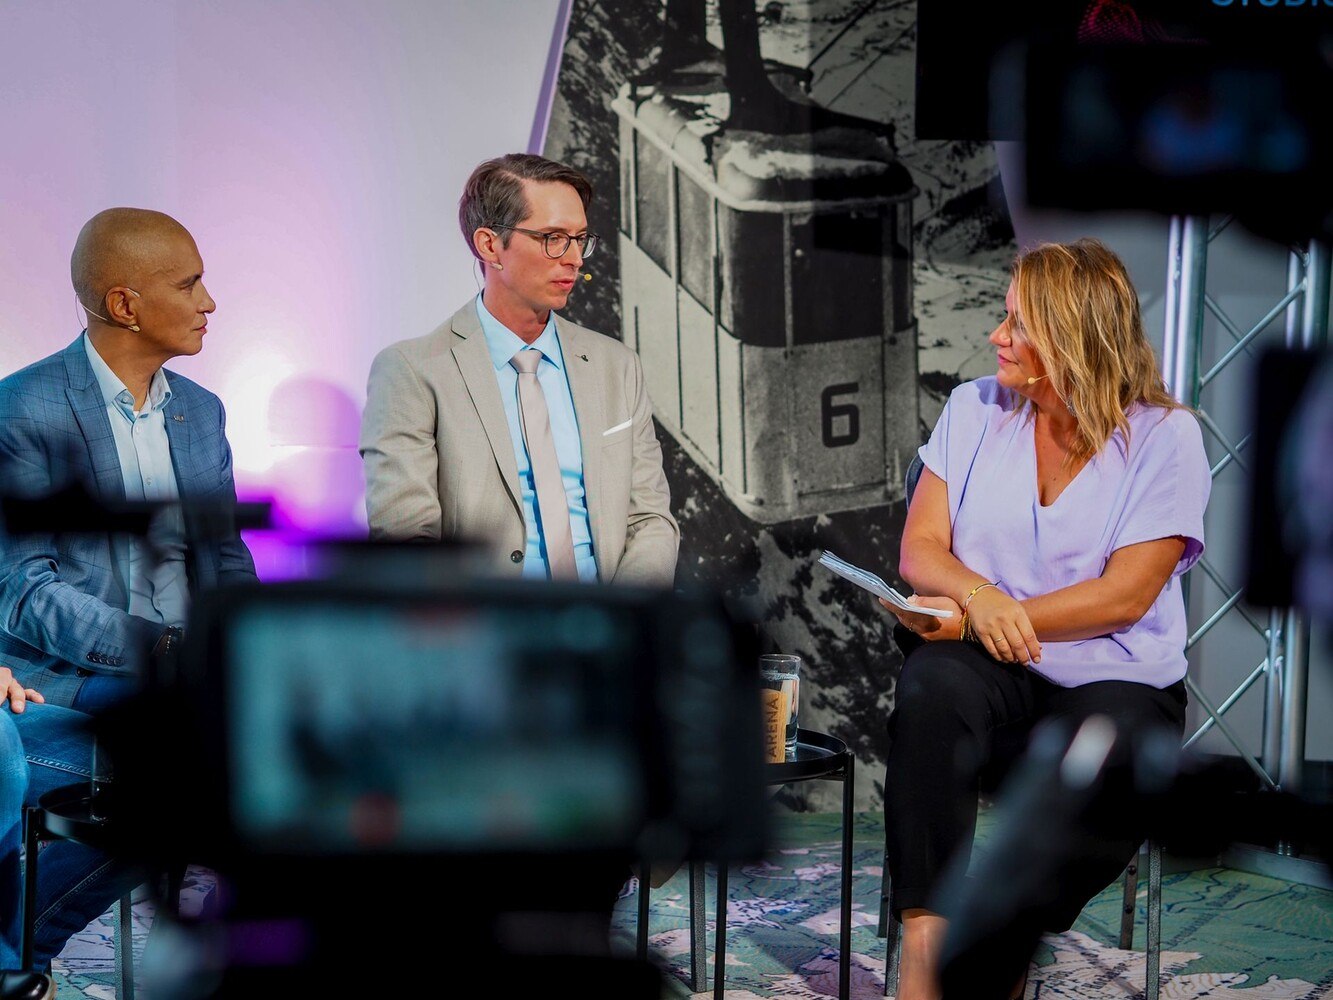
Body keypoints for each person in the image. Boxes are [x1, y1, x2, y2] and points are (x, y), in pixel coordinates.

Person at [878, 239, 1210, 1000]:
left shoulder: (1165, 437)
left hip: (1114, 671)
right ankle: (925, 948)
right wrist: (984, 604)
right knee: (930, 692)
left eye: (1018, 324)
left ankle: (1004, 931)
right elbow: (921, 550)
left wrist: (981, 617)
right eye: (1002, 318)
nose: (997, 337)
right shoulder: (973, 406)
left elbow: (1124, 597)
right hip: (990, 665)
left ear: (1075, 336)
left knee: (1118, 751)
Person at [0, 207, 256, 972]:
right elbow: (23, 591)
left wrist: (254, 641)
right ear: (125, 304)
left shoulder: (201, 414)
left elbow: (227, 556)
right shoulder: (24, 410)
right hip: (83, 684)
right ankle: (24, 955)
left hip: (192, 680)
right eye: (189, 283)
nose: (209, 301)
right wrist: (167, 649)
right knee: (188, 780)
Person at [360, 153, 678, 587]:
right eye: (553, 238)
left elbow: (650, 519)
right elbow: (408, 540)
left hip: (607, 631)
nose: (573, 259)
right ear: (490, 246)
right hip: (484, 634)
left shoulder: (616, 366)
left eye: (580, 239)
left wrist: (619, 622)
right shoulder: (413, 372)